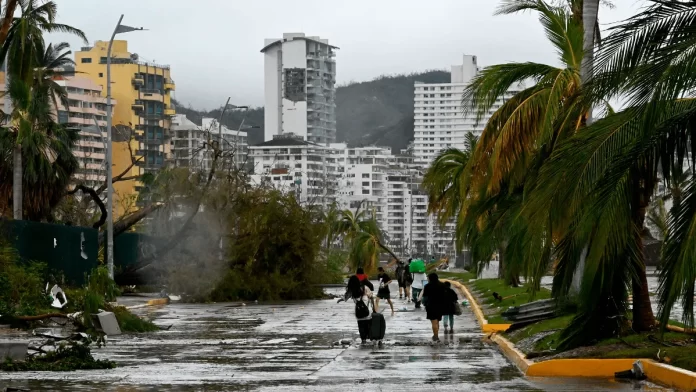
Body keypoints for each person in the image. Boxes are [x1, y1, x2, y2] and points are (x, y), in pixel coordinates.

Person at [342, 275, 374, 344]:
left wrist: (341, 299)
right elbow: (371, 296)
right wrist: (374, 308)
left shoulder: (352, 290)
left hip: (359, 311)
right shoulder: (364, 287)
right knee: (368, 325)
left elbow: (345, 298)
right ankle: (371, 339)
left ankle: (363, 340)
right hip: (368, 310)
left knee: (361, 326)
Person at [421, 273, 445, 342]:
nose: (427, 279)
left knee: (434, 322)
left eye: (428, 278)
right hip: (440, 305)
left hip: (431, 305)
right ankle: (436, 334)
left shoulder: (427, 286)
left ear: (430, 278)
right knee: (437, 321)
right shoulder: (442, 285)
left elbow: (425, 297)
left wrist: (424, 303)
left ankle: (436, 336)